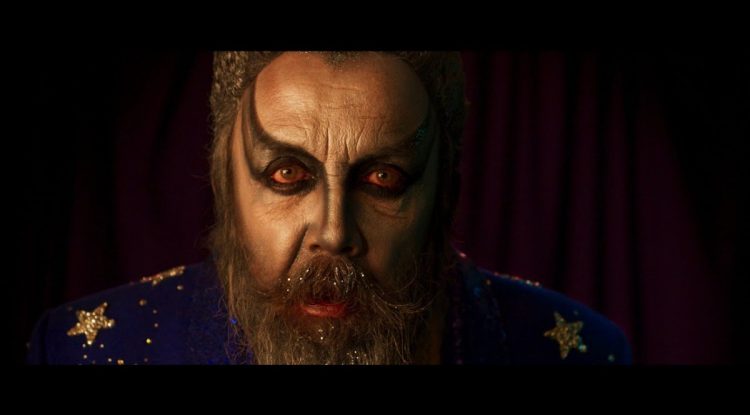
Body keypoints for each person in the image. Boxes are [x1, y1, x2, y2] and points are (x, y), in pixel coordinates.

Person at [27, 51, 632, 365]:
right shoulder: (87, 350)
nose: (334, 232)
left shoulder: (576, 353)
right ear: (224, 183)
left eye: (383, 178)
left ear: (444, 192)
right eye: (287, 175)